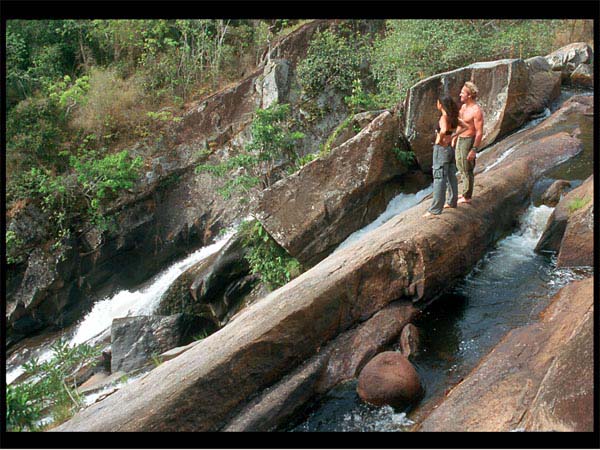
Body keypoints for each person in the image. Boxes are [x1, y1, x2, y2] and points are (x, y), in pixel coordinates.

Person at [423, 95, 460, 218]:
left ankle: (435, 209)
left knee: (439, 177)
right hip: (450, 149)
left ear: (441, 104)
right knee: (451, 175)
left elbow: (443, 129)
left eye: (437, 102)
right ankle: (452, 201)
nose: (436, 104)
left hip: (441, 150)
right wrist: (453, 136)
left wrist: (439, 139)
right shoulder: (453, 118)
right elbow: (465, 127)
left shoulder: (443, 118)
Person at [452, 81, 484, 204]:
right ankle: (465, 191)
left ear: (469, 95)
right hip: (461, 138)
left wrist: (474, 149)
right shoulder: (464, 107)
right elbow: (461, 124)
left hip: (469, 140)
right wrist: (455, 136)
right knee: (460, 165)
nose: (460, 95)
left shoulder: (476, 111)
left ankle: (467, 196)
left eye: (462, 93)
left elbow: (479, 132)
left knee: (467, 167)